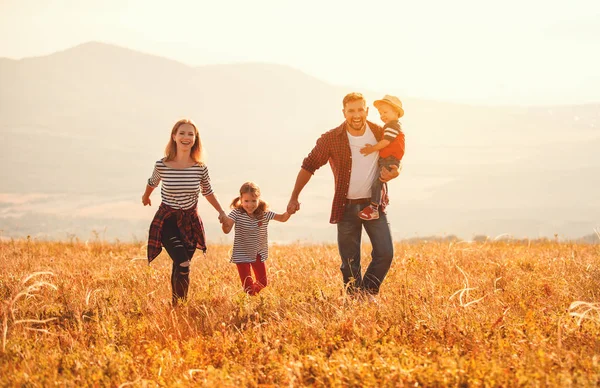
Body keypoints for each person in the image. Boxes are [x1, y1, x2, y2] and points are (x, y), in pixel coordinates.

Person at [287, 92, 400, 299]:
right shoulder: (331, 139)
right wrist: (294, 196)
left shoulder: (379, 133)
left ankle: (367, 294)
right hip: (346, 207)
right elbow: (309, 165)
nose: (356, 115)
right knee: (349, 262)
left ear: (366, 111)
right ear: (344, 112)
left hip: (373, 205)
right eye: (351, 111)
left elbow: (395, 157)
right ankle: (355, 300)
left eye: (360, 110)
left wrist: (395, 172)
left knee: (385, 253)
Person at [142, 118, 228, 307]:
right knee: (182, 262)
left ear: (195, 139)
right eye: (182, 133)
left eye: (190, 134)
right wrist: (145, 196)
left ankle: (177, 307)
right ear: (174, 137)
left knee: (182, 266)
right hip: (168, 221)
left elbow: (208, 191)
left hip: (190, 222)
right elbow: (152, 182)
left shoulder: (199, 168)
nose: (186, 137)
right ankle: (179, 306)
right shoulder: (162, 165)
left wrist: (221, 212)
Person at [222, 182, 291, 295]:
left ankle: (252, 298)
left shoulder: (264, 214)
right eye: (246, 201)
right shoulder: (236, 213)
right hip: (242, 254)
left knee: (263, 282)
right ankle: (250, 303)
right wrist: (224, 223)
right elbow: (226, 230)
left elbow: (283, 218)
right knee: (247, 286)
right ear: (241, 199)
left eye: (254, 201)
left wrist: (290, 211)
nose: (250, 205)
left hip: (257, 253)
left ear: (258, 200)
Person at [358, 94, 405, 220]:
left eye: (385, 112)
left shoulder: (392, 126)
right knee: (378, 182)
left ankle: (374, 208)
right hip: (388, 159)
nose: (382, 115)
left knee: (377, 183)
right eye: (380, 113)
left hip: (389, 160)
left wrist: (371, 149)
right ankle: (375, 206)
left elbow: (386, 142)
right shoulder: (392, 126)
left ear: (396, 112)